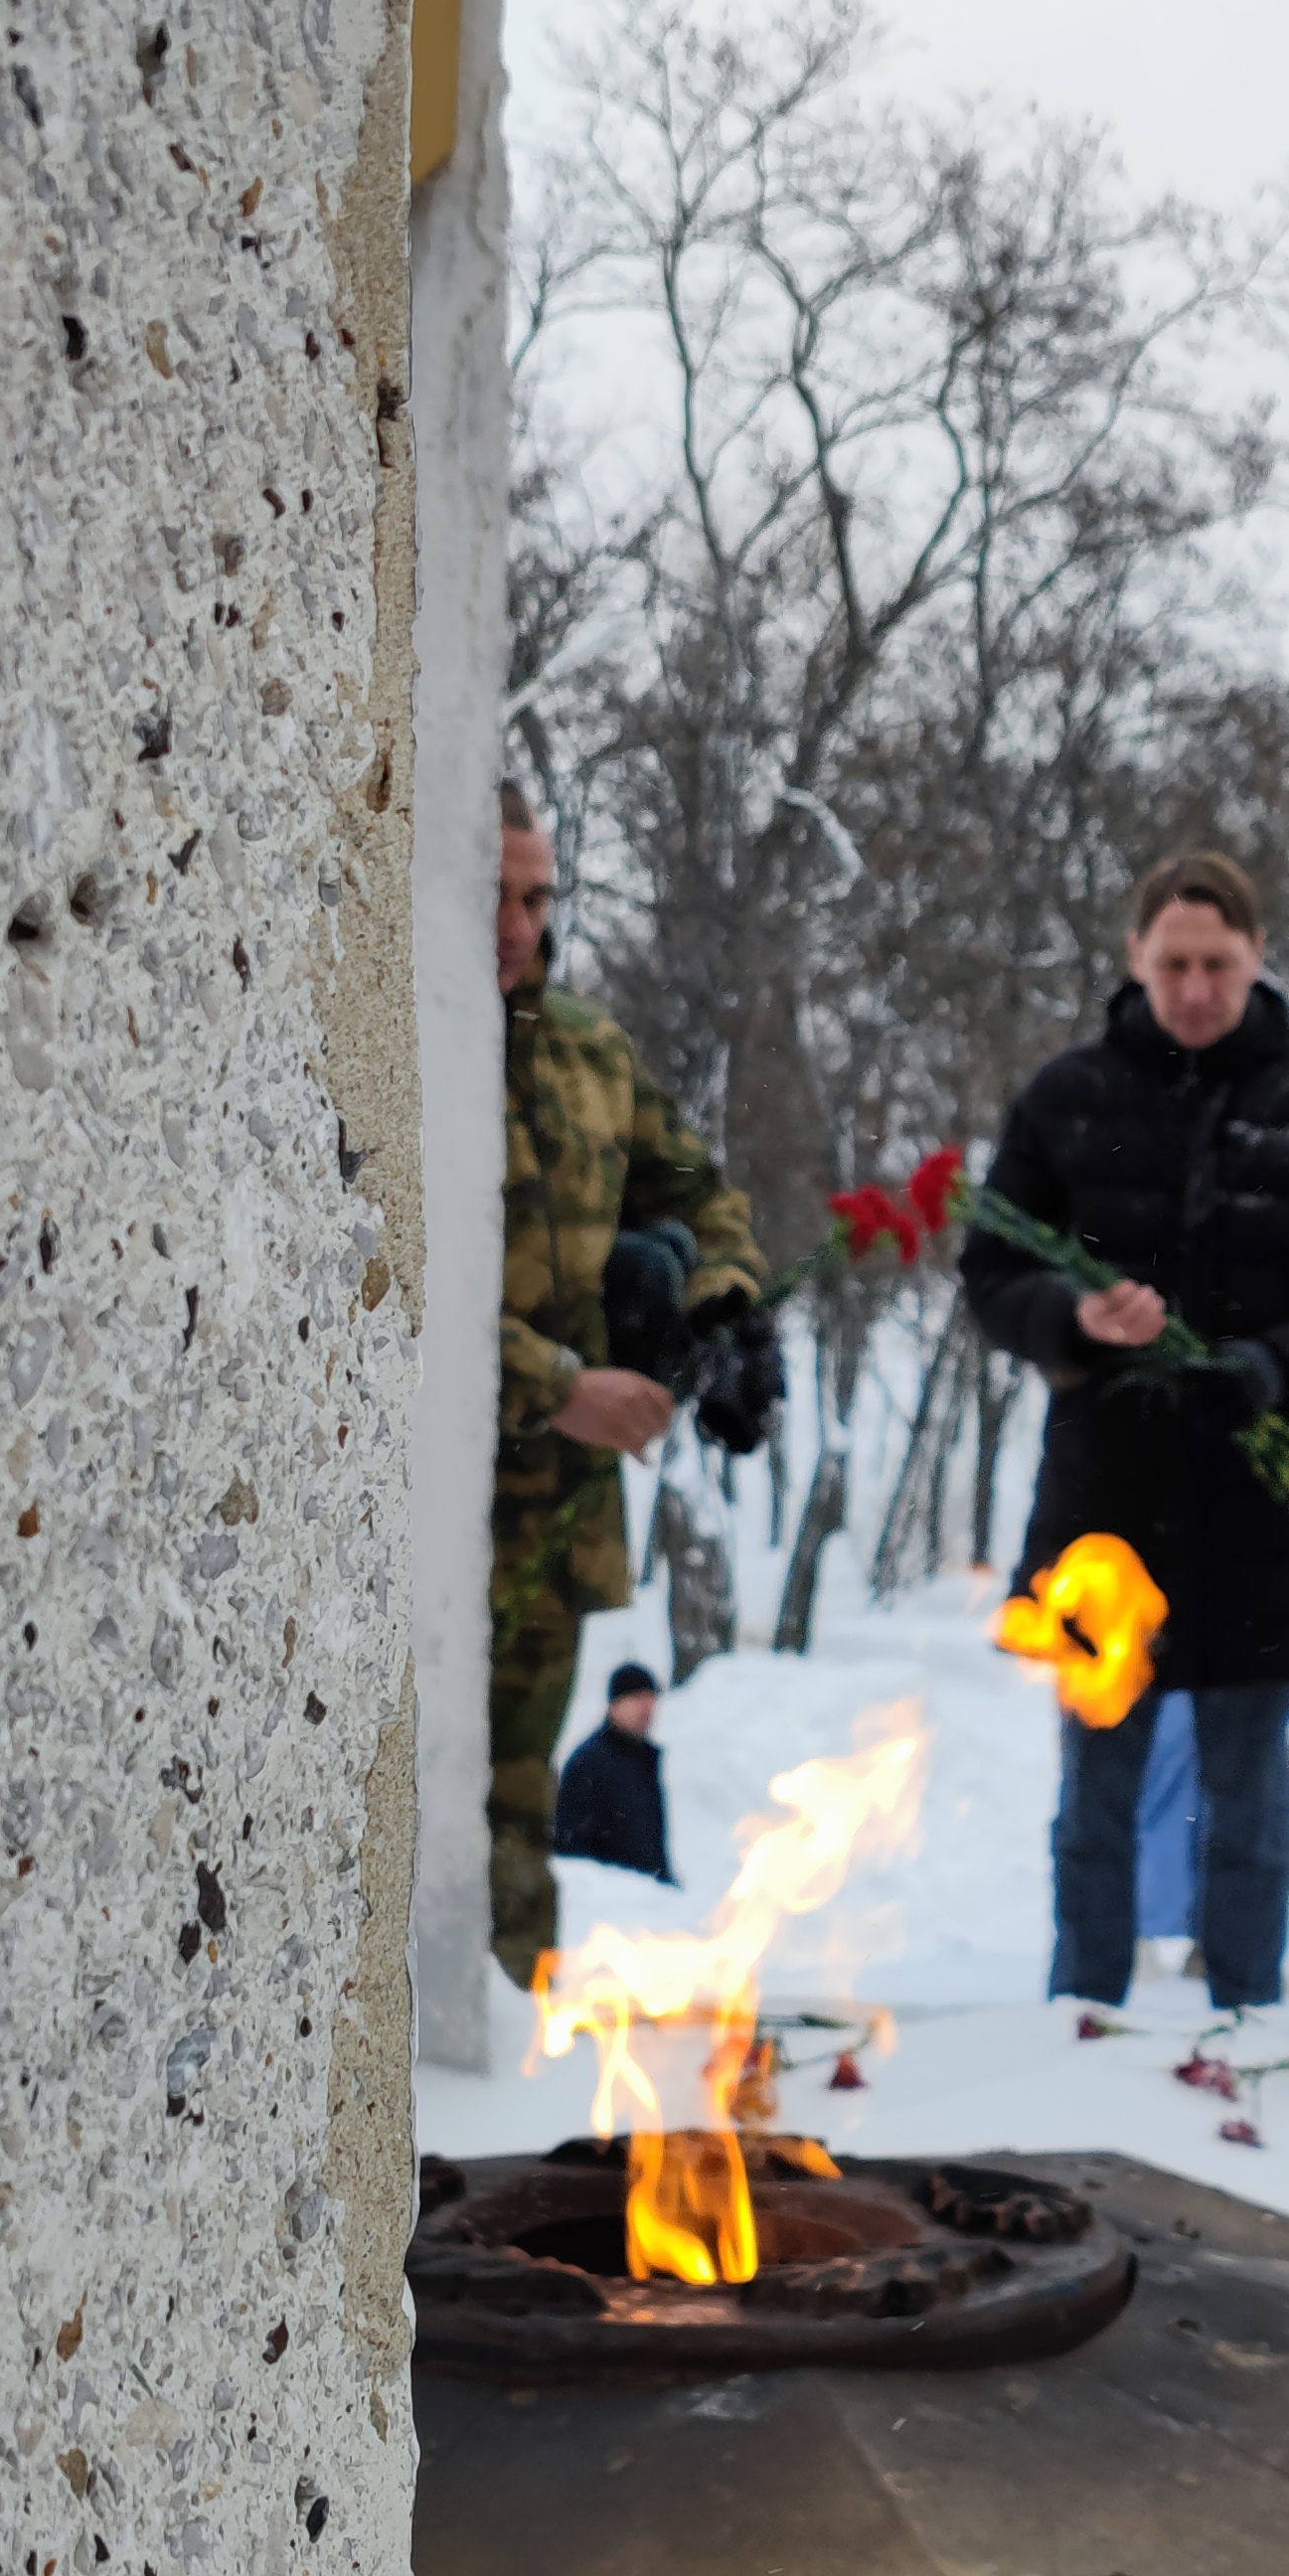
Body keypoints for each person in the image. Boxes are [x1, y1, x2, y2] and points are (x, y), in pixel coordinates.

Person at [958, 850, 1289, 2012]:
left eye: (1215, 965)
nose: (1192, 989)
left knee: (1248, 1808)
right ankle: (1078, 2019)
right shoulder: (1067, 1098)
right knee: (1096, 1802)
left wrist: (1276, 1368)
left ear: (1257, 960)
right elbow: (987, 1274)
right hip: (1101, 1511)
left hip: (1262, 1515)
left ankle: (1241, 2031)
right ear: (1134, 959)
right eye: (1171, 963)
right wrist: (1073, 1318)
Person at [486, 787, 762, 1991]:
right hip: (410, 1521)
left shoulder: (590, 1050)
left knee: (511, 1818)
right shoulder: (387, 1036)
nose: (514, 923)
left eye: (537, 896)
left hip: (554, 1514)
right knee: (394, 1818)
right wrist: (550, 1384)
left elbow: (697, 1190)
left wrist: (725, 1305)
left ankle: (490, 2080)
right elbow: (362, 1282)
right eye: (489, 894)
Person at [552, 1664, 673, 1884]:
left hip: (648, 1895)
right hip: (610, 1898)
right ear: (614, 1704)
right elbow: (573, 1843)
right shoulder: (589, 1762)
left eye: (650, 1699)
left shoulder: (644, 1761)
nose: (646, 1709)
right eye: (636, 1699)